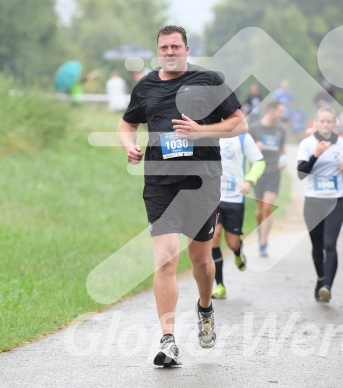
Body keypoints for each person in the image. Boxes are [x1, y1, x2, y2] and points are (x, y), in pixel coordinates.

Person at [118, 25, 248, 367]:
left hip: (202, 183)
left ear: (187, 49)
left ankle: (205, 307)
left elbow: (240, 123)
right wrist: (129, 146)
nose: (171, 51)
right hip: (160, 183)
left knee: (201, 261)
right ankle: (168, 340)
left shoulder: (209, 80)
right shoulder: (146, 86)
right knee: (165, 259)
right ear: (158, 50)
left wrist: (201, 131)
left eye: (176, 46)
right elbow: (126, 123)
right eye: (165, 47)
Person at [297, 107, 343, 303]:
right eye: (322, 121)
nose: (326, 125)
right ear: (316, 123)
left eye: (330, 121)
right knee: (317, 245)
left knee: (330, 244)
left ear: (335, 124)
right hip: (313, 200)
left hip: (335, 200)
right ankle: (321, 278)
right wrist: (316, 154)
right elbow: (301, 173)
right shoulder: (307, 144)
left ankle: (327, 286)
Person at [211, 134, 265, 299]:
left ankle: (237, 253)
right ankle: (219, 285)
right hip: (213, 197)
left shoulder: (243, 137)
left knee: (232, 242)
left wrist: (250, 181)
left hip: (235, 197)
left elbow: (259, 161)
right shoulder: (209, 131)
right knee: (214, 237)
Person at [249, 100, 286, 257]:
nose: (281, 114)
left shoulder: (280, 130)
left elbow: (282, 149)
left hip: (274, 172)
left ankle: (263, 243)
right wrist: (254, 147)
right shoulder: (254, 128)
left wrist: (284, 158)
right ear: (271, 110)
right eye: (279, 111)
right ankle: (260, 232)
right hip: (258, 172)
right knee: (259, 212)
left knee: (267, 208)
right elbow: (245, 149)